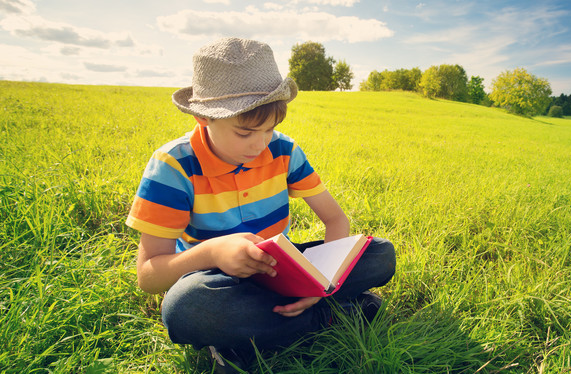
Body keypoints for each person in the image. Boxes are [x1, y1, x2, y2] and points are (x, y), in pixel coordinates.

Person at [126, 38, 396, 371]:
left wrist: (321, 282)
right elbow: (149, 276)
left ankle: (254, 334)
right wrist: (214, 252)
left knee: (380, 254)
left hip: (280, 267)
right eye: (244, 133)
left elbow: (335, 220)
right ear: (203, 118)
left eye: (270, 129)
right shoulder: (173, 166)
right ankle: (329, 316)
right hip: (216, 280)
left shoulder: (283, 150)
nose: (260, 144)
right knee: (185, 309)